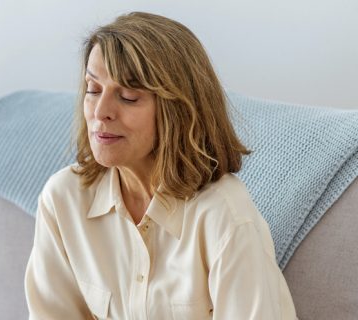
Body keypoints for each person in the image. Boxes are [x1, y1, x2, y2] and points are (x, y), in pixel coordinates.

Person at [24, 11, 298, 319]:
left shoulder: (225, 216)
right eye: (93, 89)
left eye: (128, 96)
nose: (101, 111)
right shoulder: (64, 199)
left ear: (177, 110)